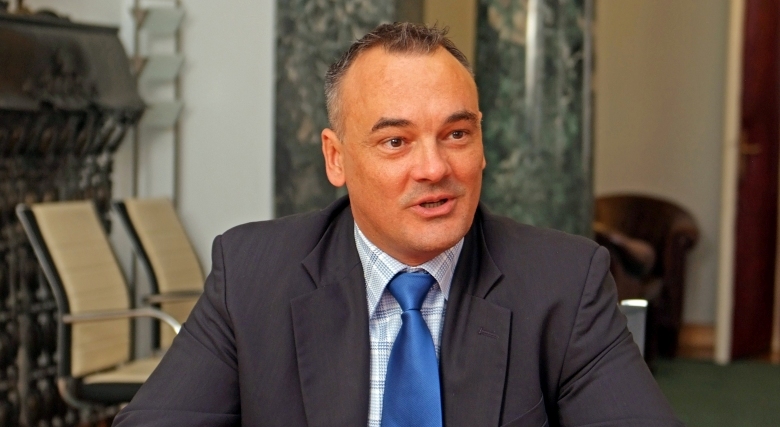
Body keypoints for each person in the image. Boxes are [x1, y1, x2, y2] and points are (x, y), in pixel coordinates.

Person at [113, 22, 681, 427]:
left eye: (456, 134)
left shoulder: (564, 280)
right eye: (395, 141)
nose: (434, 168)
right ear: (336, 158)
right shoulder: (252, 275)